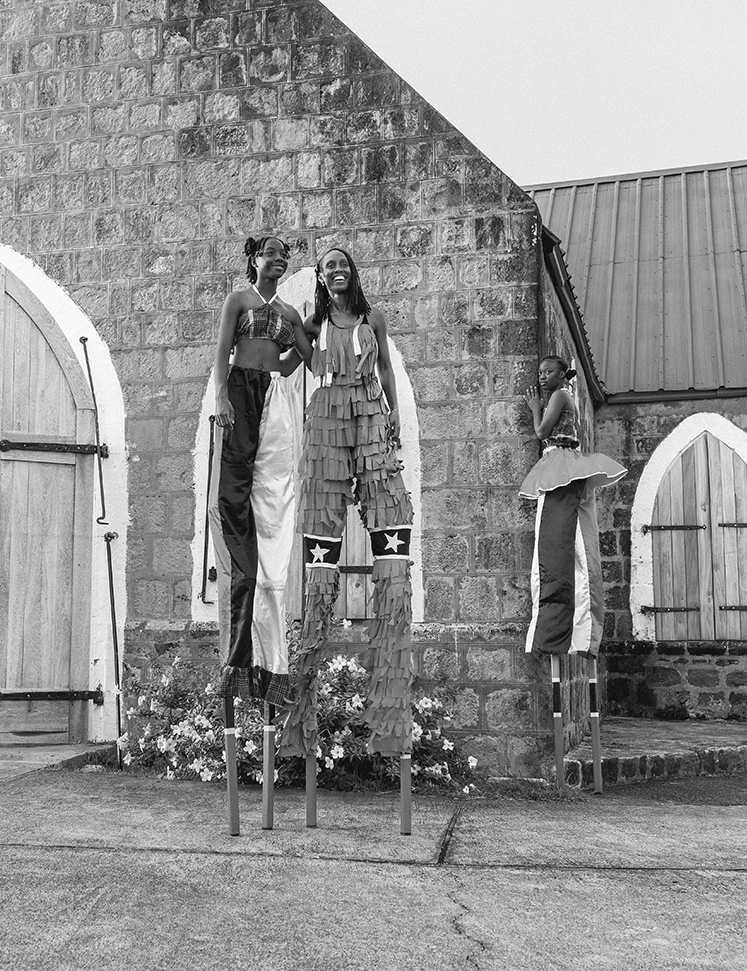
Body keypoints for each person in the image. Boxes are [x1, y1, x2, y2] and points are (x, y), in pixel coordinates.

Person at [281, 246, 414, 759]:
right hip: (327, 421)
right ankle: (301, 710)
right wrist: (283, 319)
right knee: (321, 547)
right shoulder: (313, 322)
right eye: (328, 267)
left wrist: (394, 413)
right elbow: (295, 365)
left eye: (343, 265)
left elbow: (387, 371)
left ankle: (390, 718)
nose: (337, 271)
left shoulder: (372, 318)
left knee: (390, 529)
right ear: (321, 277)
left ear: (352, 273)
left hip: (370, 415)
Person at [208, 235, 312, 703]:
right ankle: (238, 654)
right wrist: (221, 396)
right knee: (233, 487)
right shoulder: (238, 300)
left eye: (284, 255)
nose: (279, 259)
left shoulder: (288, 313)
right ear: (254, 259)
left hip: (272, 393)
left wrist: (315, 327)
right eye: (271, 253)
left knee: (273, 486)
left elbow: (300, 360)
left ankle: (271, 666)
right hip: (239, 389)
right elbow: (223, 351)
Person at [520, 356, 626, 657]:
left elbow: (541, 433)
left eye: (548, 372)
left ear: (562, 374)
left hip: (560, 462)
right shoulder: (565, 395)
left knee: (555, 540)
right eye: (540, 373)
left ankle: (560, 632)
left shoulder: (559, 395)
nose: (542, 377)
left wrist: (535, 408)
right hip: (561, 460)